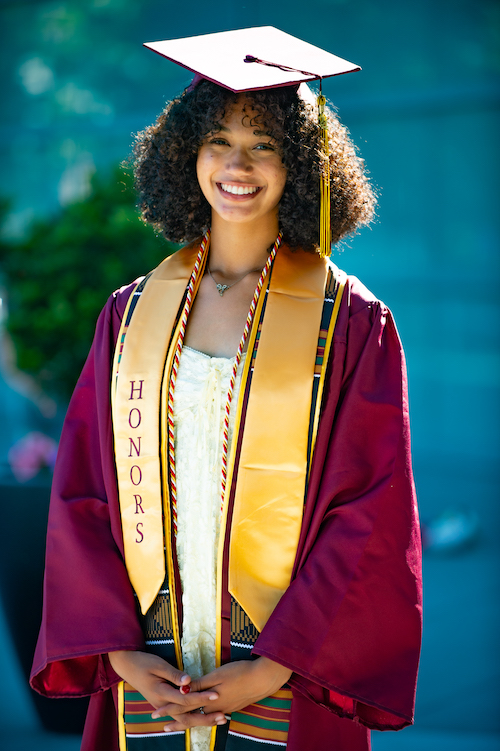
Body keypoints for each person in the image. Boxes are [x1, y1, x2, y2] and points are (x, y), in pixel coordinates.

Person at [30, 27, 422, 751]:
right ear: (185, 155)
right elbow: (84, 489)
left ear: (303, 165)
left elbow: (369, 512)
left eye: (265, 143)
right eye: (218, 140)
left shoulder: (352, 322)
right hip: (149, 665)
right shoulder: (129, 314)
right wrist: (121, 653)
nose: (237, 164)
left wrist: (273, 667)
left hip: (282, 668)